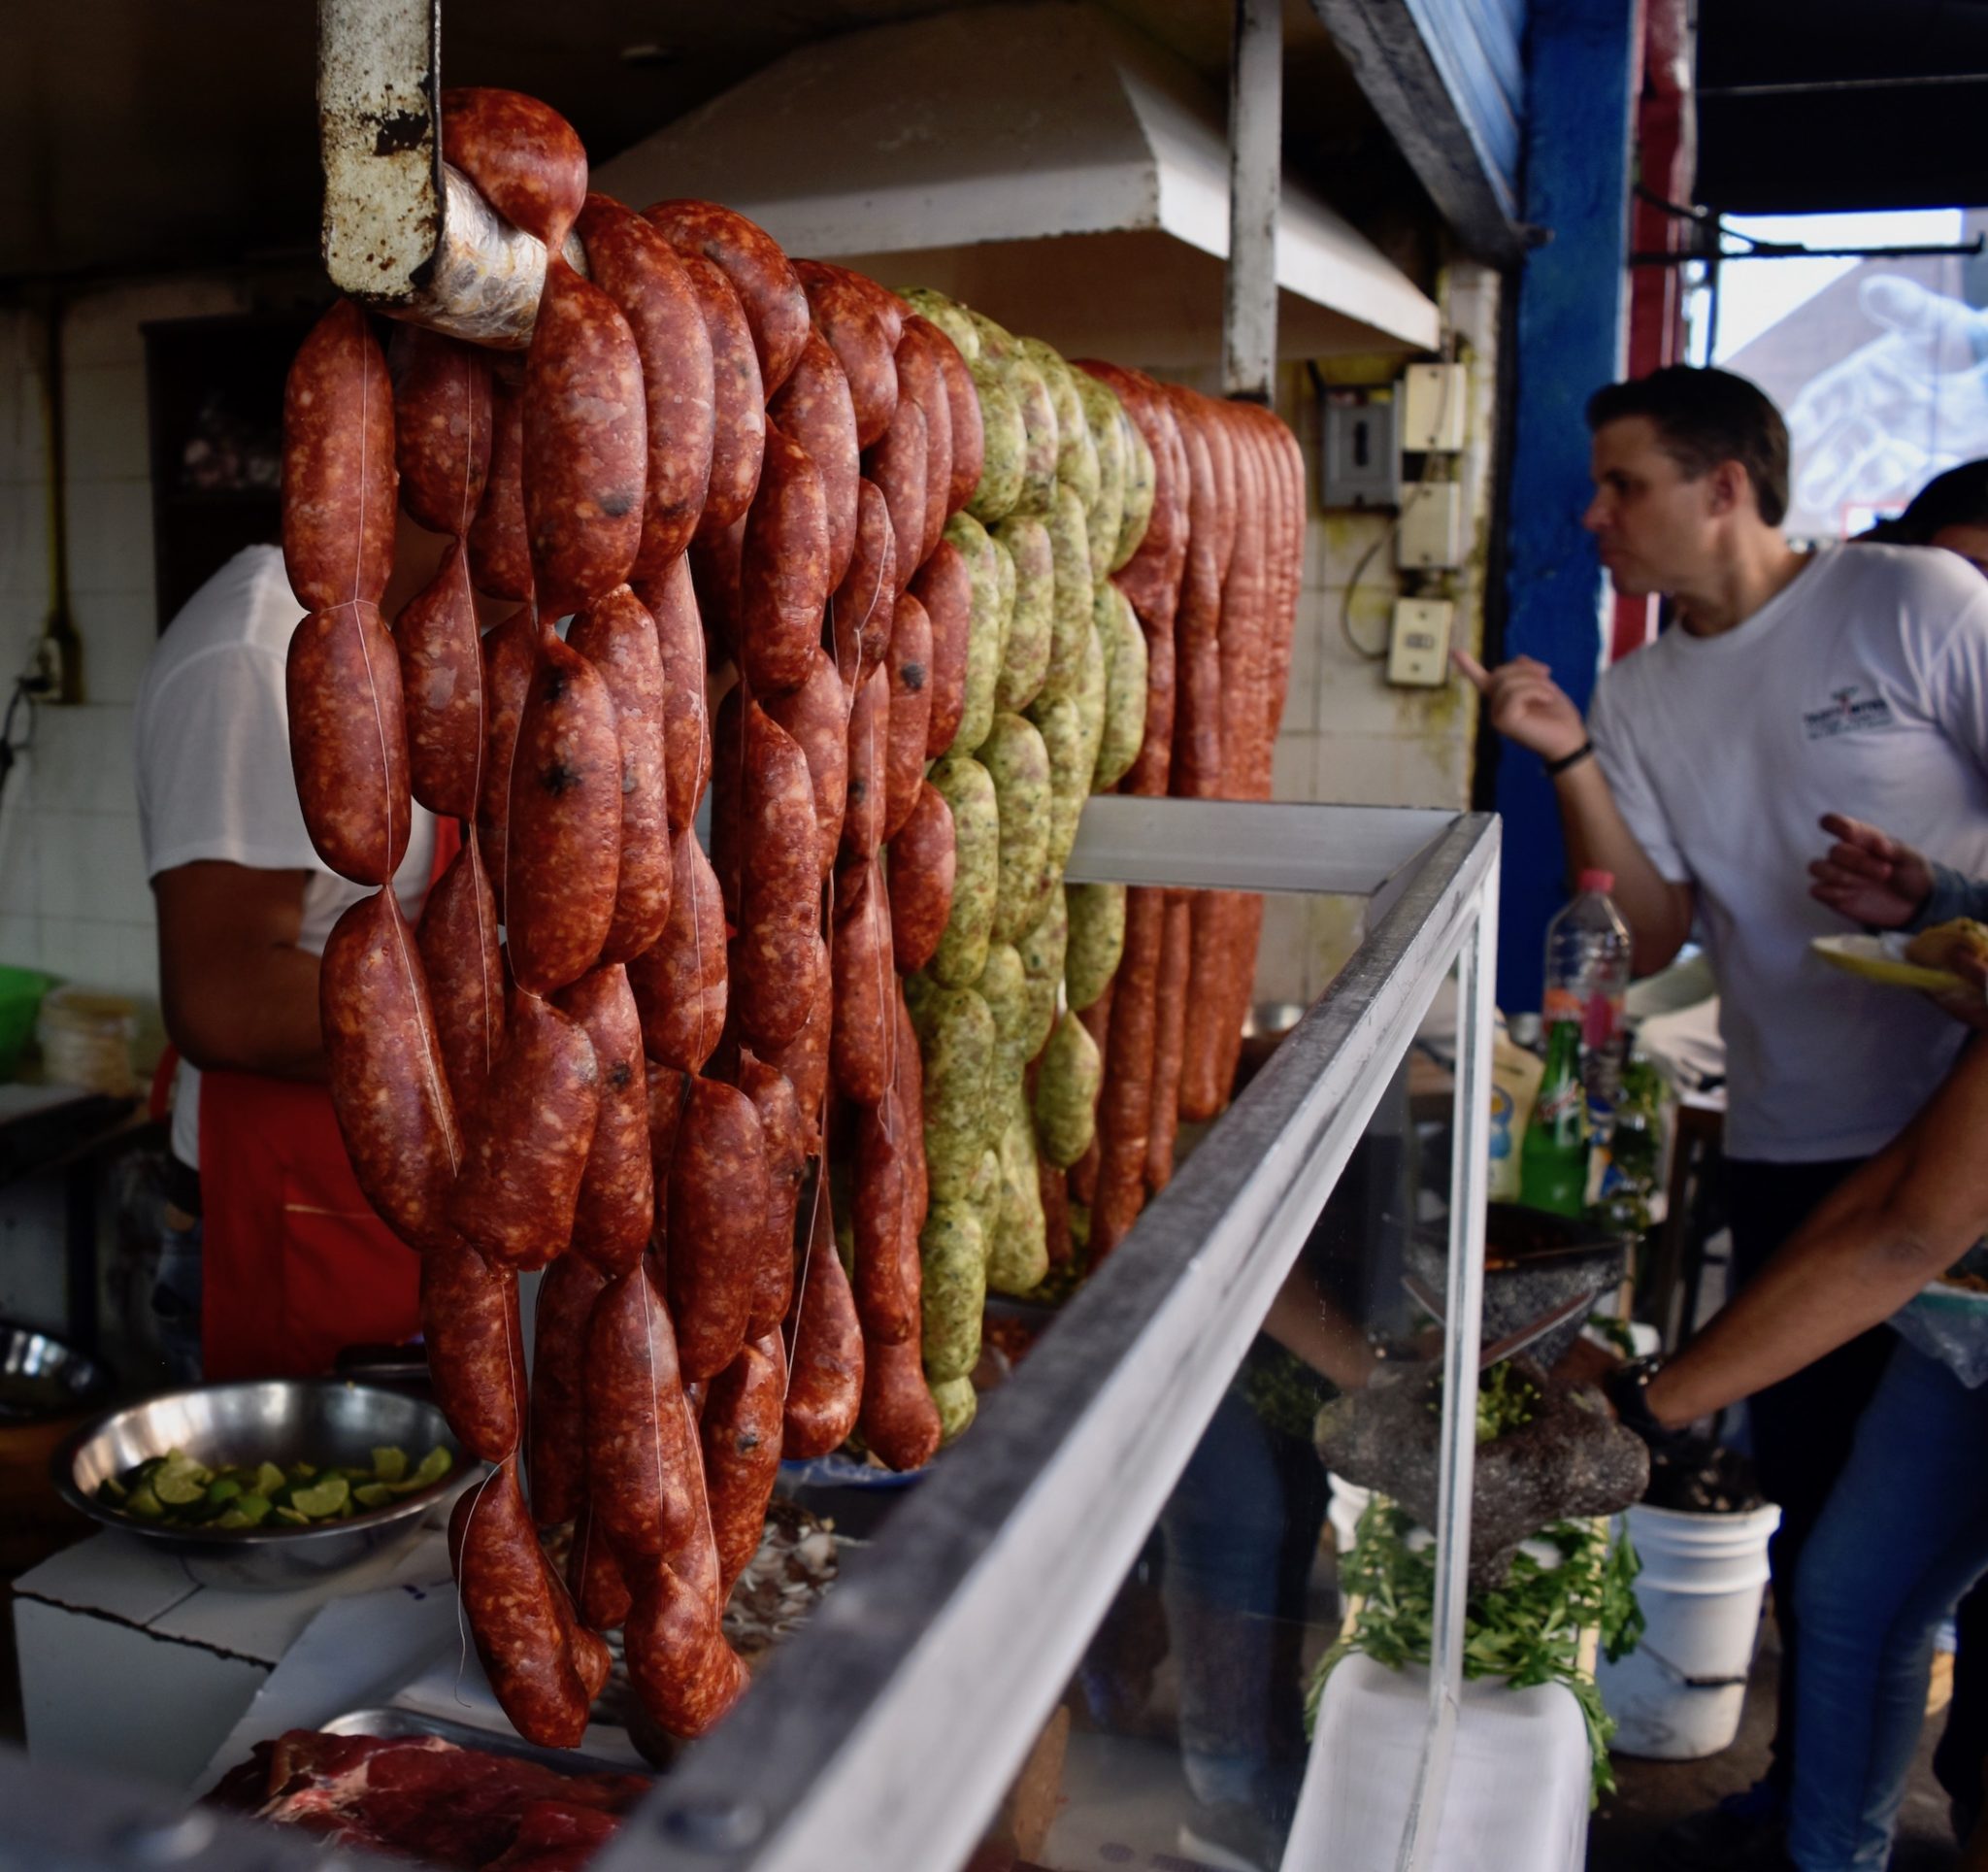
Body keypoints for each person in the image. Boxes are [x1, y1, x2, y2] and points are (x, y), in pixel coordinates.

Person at [1455, 367, 1988, 1866]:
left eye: (1623, 484)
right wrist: (1567, 754)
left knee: (1928, 1558)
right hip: (1800, 1141)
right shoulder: (1644, 690)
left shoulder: (1912, 603)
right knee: (1833, 1533)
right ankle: (1818, 1808)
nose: (1594, 515)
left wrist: (1950, 910)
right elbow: (1659, 924)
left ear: (1728, 487)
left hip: (1961, 1142)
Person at [135, 519, 452, 1385]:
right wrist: (498, 1053)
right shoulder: (251, 656)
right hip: (287, 1206)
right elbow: (224, 1000)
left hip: (405, 1195)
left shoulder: (425, 636)